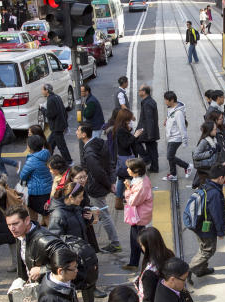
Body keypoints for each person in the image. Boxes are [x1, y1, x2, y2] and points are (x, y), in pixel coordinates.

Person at [77, 123, 122, 252]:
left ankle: (115, 243)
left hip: (96, 188)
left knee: (104, 214)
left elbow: (97, 172)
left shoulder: (89, 153)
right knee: (100, 212)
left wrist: (109, 184)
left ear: (84, 134)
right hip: (102, 185)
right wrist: (112, 181)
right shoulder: (100, 142)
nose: (76, 133)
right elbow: (110, 162)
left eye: (78, 131)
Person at [187, 163, 225, 278]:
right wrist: (220, 232)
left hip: (198, 223)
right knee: (208, 250)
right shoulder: (214, 193)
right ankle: (188, 271)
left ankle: (201, 270)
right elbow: (217, 215)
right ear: (220, 178)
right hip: (206, 226)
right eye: (224, 178)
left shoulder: (205, 185)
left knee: (203, 247)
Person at [122, 158, 153, 271]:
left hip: (140, 216)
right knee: (134, 240)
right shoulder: (139, 179)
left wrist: (127, 189)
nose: (127, 170)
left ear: (136, 171)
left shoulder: (141, 185)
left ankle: (153, 261)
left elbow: (133, 201)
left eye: (129, 168)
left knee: (139, 242)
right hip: (137, 216)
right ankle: (133, 263)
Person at [19, 134, 53, 221]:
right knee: (46, 213)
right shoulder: (46, 154)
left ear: (30, 147)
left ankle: (37, 231)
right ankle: (52, 231)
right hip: (48, 189)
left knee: (33, 215)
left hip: (36, 192)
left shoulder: (32, 160)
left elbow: (23, 176)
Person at [163, 91, 191, 181]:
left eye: (166, 100)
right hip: (171, 136)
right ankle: (173, 174)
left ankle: (187, 166)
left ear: (172, 100)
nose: (165, 102)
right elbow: (170, 116)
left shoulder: (178, 113)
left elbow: (182, 127)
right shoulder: (171, 108)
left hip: (176, 137)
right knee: (171, 156)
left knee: (170, 156)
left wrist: (184, 140)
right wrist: (167, 120)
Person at [41, 83, 71, 163]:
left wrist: (43, 109)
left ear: (47, 90)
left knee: (61, 146)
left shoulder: (50, 100)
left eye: (42, 90)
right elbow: (64, 111)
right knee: (50, 144)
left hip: (56, 127)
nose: (42, 92)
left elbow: (50, 115)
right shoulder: (57, 97)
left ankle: (69, 161)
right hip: (60, 125)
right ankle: (47, 160)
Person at [135, 85, 160, 173]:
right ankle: (154, 167)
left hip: (147, 131)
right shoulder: (149, 101)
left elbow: (149, 120)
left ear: (144, 92)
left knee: (135, 141)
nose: (138, 92)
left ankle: (146, 158)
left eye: (139, 90)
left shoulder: (147, 103)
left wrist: (149, 134)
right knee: (152, 149)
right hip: (150, 130)